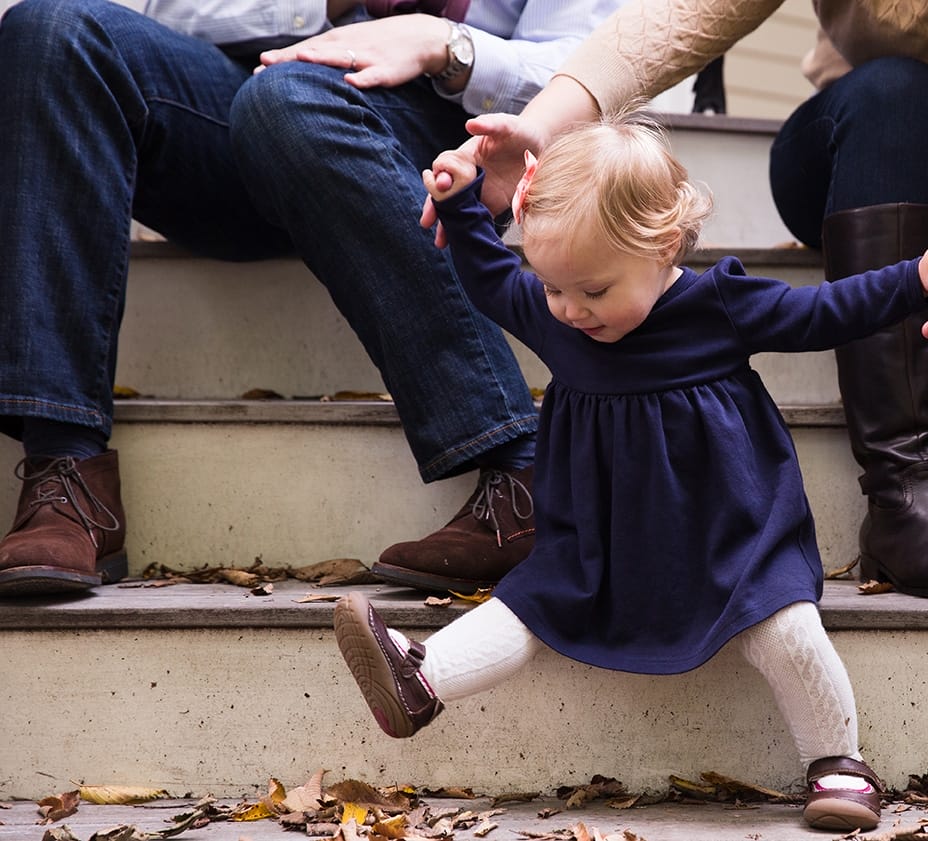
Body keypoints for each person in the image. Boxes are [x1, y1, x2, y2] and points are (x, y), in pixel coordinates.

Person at [448, 0, 928, 603]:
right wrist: (540, 129)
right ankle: (903, 493)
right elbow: (680, 18)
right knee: (895, 89)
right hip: (867, 150)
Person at [334, 109, 928, 830]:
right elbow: (488, 277)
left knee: (787, 628)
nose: (570, 310)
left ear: (664, 245)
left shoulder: (718, 305)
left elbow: (824, 310)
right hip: (600, 538)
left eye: (595, 292)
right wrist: (459, 202)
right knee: (532, 600)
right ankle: (420, 678)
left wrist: (916, 277)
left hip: (731, 533)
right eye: (553, 288)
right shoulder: (561, 308)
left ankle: (838, 763)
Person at [0, 0, 624, 597]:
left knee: (287, 98)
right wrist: (322, 9)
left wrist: (443, 45)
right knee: (50, 27)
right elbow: (173, 15)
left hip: (449, 133)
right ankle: (68, 474)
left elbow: (596, 65)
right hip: (235, 108)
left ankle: (526, 474)